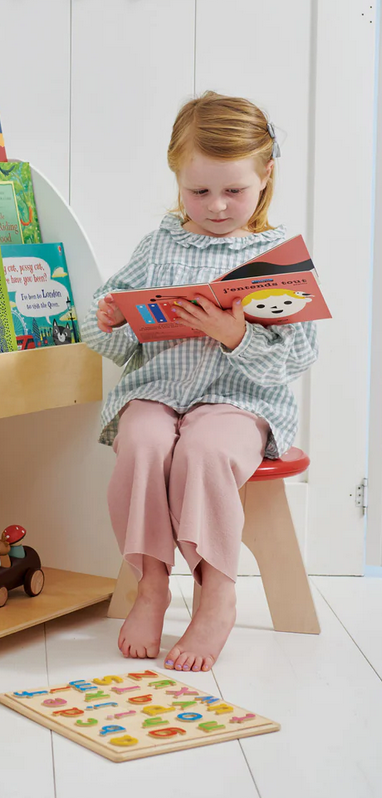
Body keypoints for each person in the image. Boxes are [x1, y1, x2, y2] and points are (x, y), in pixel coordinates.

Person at [81, 91, 318, 673]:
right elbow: (111, 334)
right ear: (177, 180)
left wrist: (235, 336)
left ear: (265, 175)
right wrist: (110, 319)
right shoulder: (161, 243)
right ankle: (153, 584)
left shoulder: (277, 257)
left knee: (205, 452)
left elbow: (300, 355)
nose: (215, 206)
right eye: (198, 191)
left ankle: (216, 594)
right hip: (159, 391)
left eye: (233, 190)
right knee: (142, 444)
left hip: (240, 401)